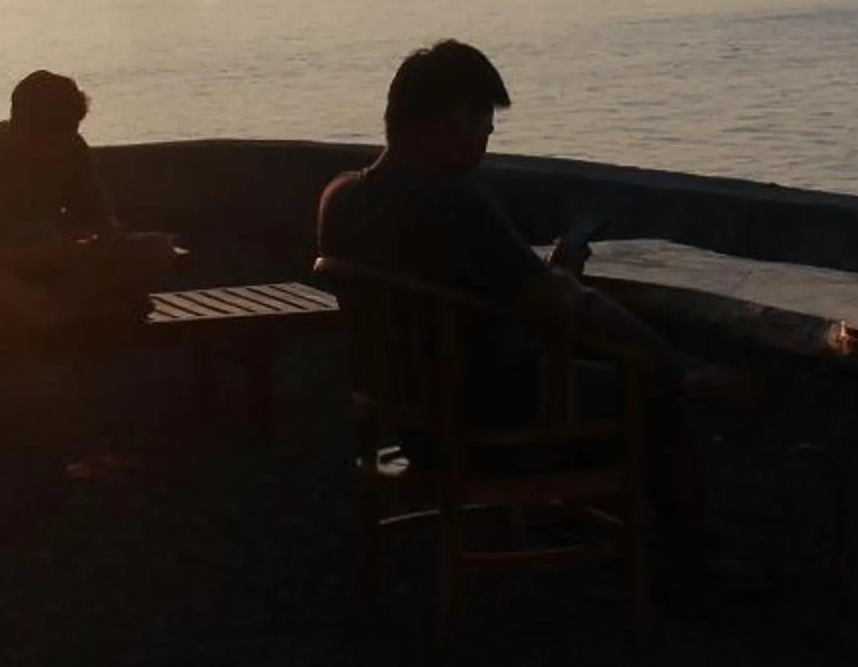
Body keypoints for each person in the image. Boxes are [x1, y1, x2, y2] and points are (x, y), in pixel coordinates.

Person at [315, 39, 757, 599]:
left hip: (413, 420)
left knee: (590, 363)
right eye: (481, 119)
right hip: (488, 424)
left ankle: (573, 518)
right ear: (448, 119)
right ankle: (696, 568)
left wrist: (546, 282)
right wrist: (678, 366)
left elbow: (475, 287)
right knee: (648, 390)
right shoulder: (454, 205)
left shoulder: (339, 199)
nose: (488, 137)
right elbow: (567, 308)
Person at [0, 71, 179, 340]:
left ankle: (74, 309)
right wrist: (37, 253)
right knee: (4, 296)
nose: (60, 144)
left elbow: (97, 216)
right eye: (51, 134)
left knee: (157, 249)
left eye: (69, 131)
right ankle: (87, 309)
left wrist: (109, 239)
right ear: (22, 124)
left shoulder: (71, 147)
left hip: (56, 272)